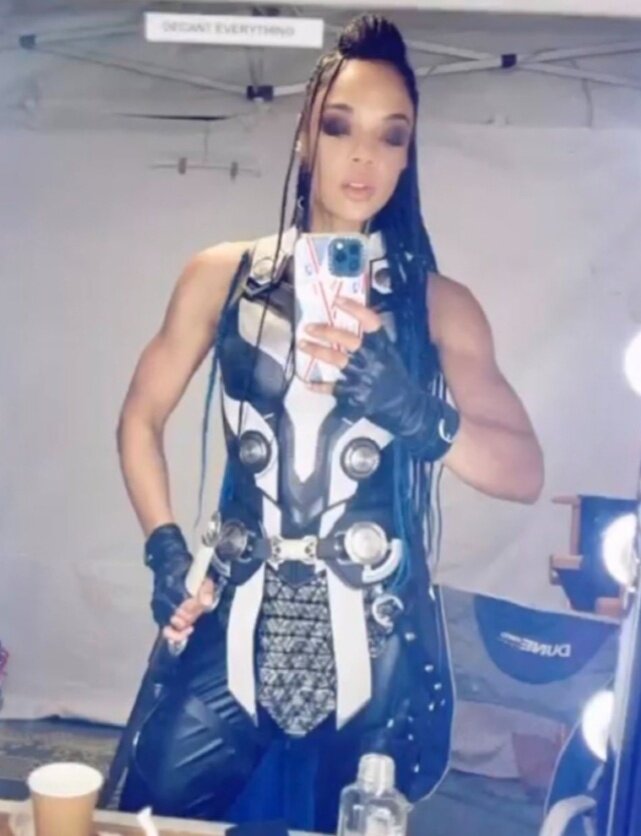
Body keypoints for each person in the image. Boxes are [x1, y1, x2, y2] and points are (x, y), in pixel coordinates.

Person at [115, 13, 544, 832]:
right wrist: (164, 549)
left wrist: (414, 411)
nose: (363, 156)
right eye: (340, 126)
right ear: (305, 134)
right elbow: (140, 416)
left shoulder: (437, 305)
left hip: (377, 641)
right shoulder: (221, 275)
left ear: (408, 155)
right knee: (149, 818)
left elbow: (523, 472)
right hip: (232, 616)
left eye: (391, 136)